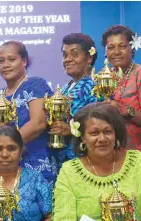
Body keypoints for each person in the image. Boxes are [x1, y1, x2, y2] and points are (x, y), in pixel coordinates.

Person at [52, 103, 141, 221]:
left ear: (116, 134)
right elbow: (63, 220)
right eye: (94, 133)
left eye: (107, 132)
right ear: (82, 137)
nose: (102, 138)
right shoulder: (69, 171)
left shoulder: (139, 161)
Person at [0, 41, 56, 184]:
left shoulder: (35, 85)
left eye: (11, 59)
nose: (6, 64)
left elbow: (38, 123)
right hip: (5, 169)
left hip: (37, 166)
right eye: (1, 61)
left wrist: (7, 146)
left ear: (24, 61)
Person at [102, 25, 141, 155]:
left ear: (132, 49)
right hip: (108, 151)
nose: (116, 52)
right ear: (105, 52)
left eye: (122, 46)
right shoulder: (104, 77)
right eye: (111, 47)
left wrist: (122, 110)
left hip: (138, 152)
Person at [48, 33, 102, 173]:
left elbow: (100, 124)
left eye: (75, 54)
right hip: (62, 158)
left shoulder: (95, 86)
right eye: (65, 55)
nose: (68, 59)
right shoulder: (65, 88)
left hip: (85, 160)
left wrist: (71, 130)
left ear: (89, 58)